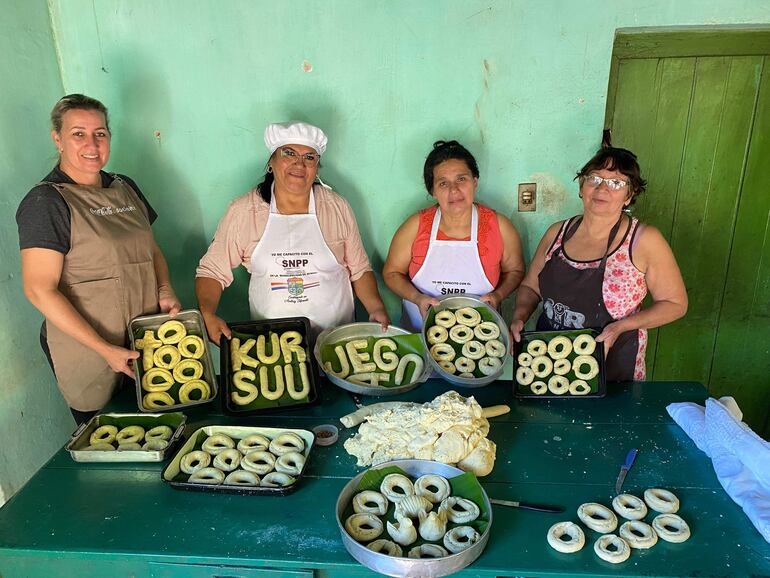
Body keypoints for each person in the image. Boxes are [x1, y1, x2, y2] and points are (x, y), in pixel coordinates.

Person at [16, 94, 181, 424]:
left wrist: (165, 289)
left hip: (143, 335)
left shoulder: (125, 187)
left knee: (164, 425)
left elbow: (151, 248)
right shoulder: (46, 202)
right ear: (57, 138)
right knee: (110, 437)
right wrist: (104, 349)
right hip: (87, 348)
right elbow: (39, 289)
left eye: (100, 133)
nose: (91, 144)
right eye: (78, 133)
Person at [196, 121, 390, 343]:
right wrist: (208, 314)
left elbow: (359, 268)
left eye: (309, 157)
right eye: (289, 153)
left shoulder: (336, 207)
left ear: (317, 167)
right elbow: (212, 271)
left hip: (336, 340)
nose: (299, 164)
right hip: (272, 345)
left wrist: (375, 307)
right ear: (271, 161)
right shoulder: (244, 211)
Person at [510, 147, 688, 381]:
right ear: (582, 186)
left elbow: (675, 304)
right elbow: (531, 287)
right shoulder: (557, 233)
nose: (602, 188)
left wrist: (619, 328)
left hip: (614, 364)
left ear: (629, 195)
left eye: (616, 182)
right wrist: (520, 316)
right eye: (594, 178)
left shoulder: (644, 241)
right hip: (550, 360)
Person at [383, 140, 525, 331]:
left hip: (481, 339)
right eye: (443, 183)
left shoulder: (500, 227)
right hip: (419, 332)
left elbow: (515, 270)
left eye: (461, 179)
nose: (454, 190)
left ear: (475, 181)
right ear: (432, 191)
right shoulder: (415, 226)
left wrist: (498, 295)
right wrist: (418, 298)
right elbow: (391, 273)